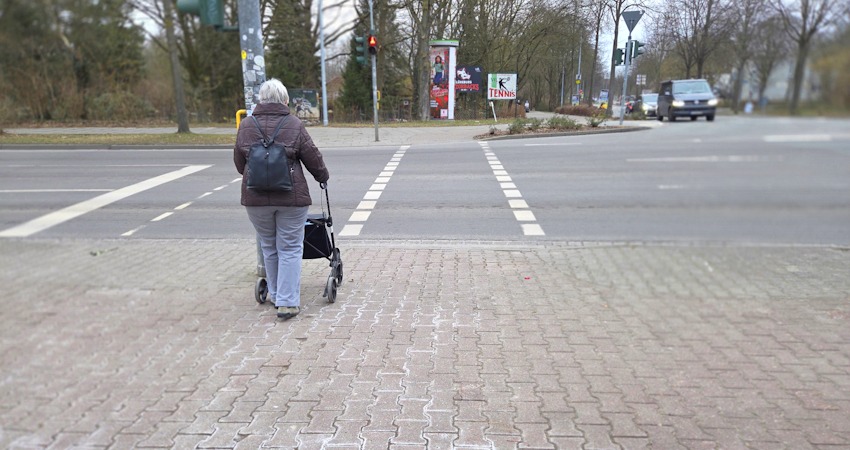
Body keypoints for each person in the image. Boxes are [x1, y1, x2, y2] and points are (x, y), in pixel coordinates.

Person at [234, 78, 330, 319]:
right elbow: (312, 157)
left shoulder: (246, 125)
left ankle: (276, 295)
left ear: (260, 100)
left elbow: (239, 163)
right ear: (285, 100)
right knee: (289, 247)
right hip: (291, 198)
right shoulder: (294, 124)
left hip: (255, 198)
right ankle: (288, 302)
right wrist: (322, 176)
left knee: (269, 245)